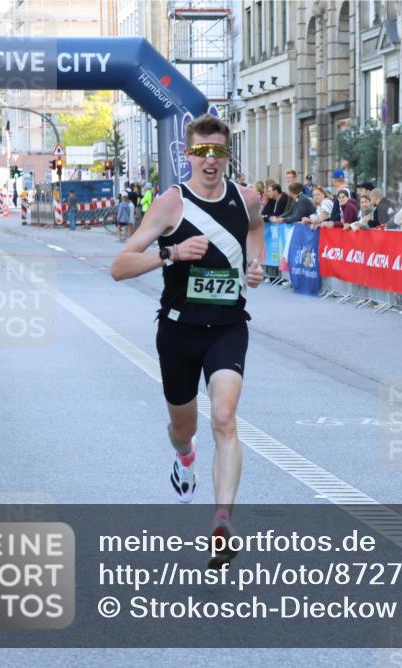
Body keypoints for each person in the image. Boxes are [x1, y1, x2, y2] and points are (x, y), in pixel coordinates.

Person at [109, 114, 264, 568]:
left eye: (218, 151)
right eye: (201, 151)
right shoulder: (170, 204)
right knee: (185, 428)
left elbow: (256, 227)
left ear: (228, 154)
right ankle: (184, 457)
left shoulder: (247, 198)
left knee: (225, 418)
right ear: (187, 154)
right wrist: (171, 253)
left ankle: (222, 521)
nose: (210, 161)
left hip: (228, 327)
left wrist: (256, 262)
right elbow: (119, 266)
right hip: (178, 330)